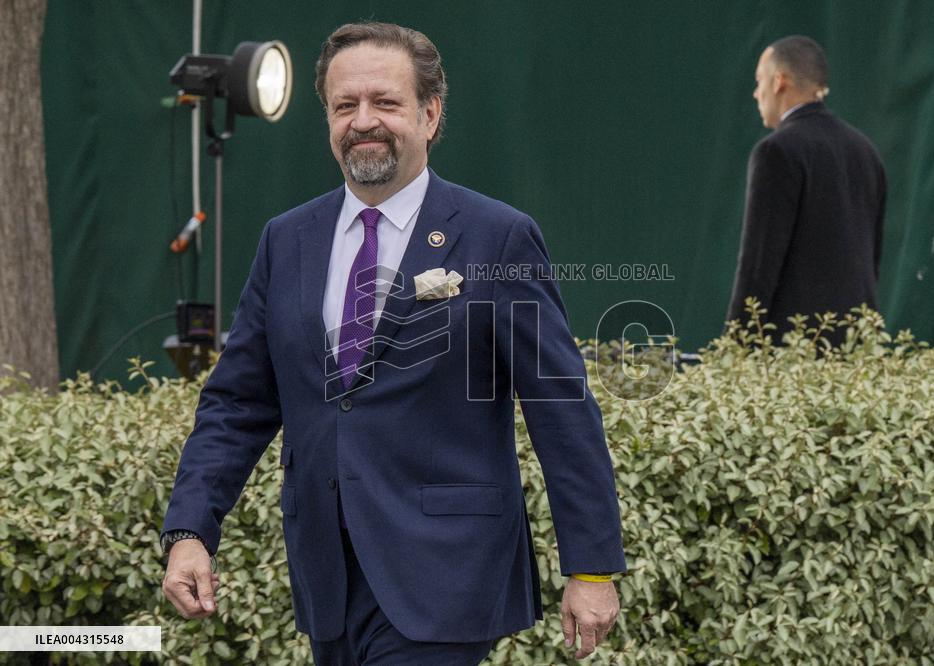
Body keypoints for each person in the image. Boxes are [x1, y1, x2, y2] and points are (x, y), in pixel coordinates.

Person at [159, 21, 625, 665]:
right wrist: (189, 531)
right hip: (326, 575)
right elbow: (236, 405)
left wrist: (592, 568)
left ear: (430, 115)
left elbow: (560, 406)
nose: (363, 120)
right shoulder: (286, 240)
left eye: (386, 102)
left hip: (446, 574)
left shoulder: (499, 237)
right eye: (345, 105)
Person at [726, 36, 887, 343]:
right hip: (860, 350)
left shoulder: (776, 152)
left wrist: (735, 346)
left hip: (795, 355)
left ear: (778, 81)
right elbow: (871, 260)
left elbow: (758, 266)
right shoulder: (866, 151)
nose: (755, 92)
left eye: (759, 80)